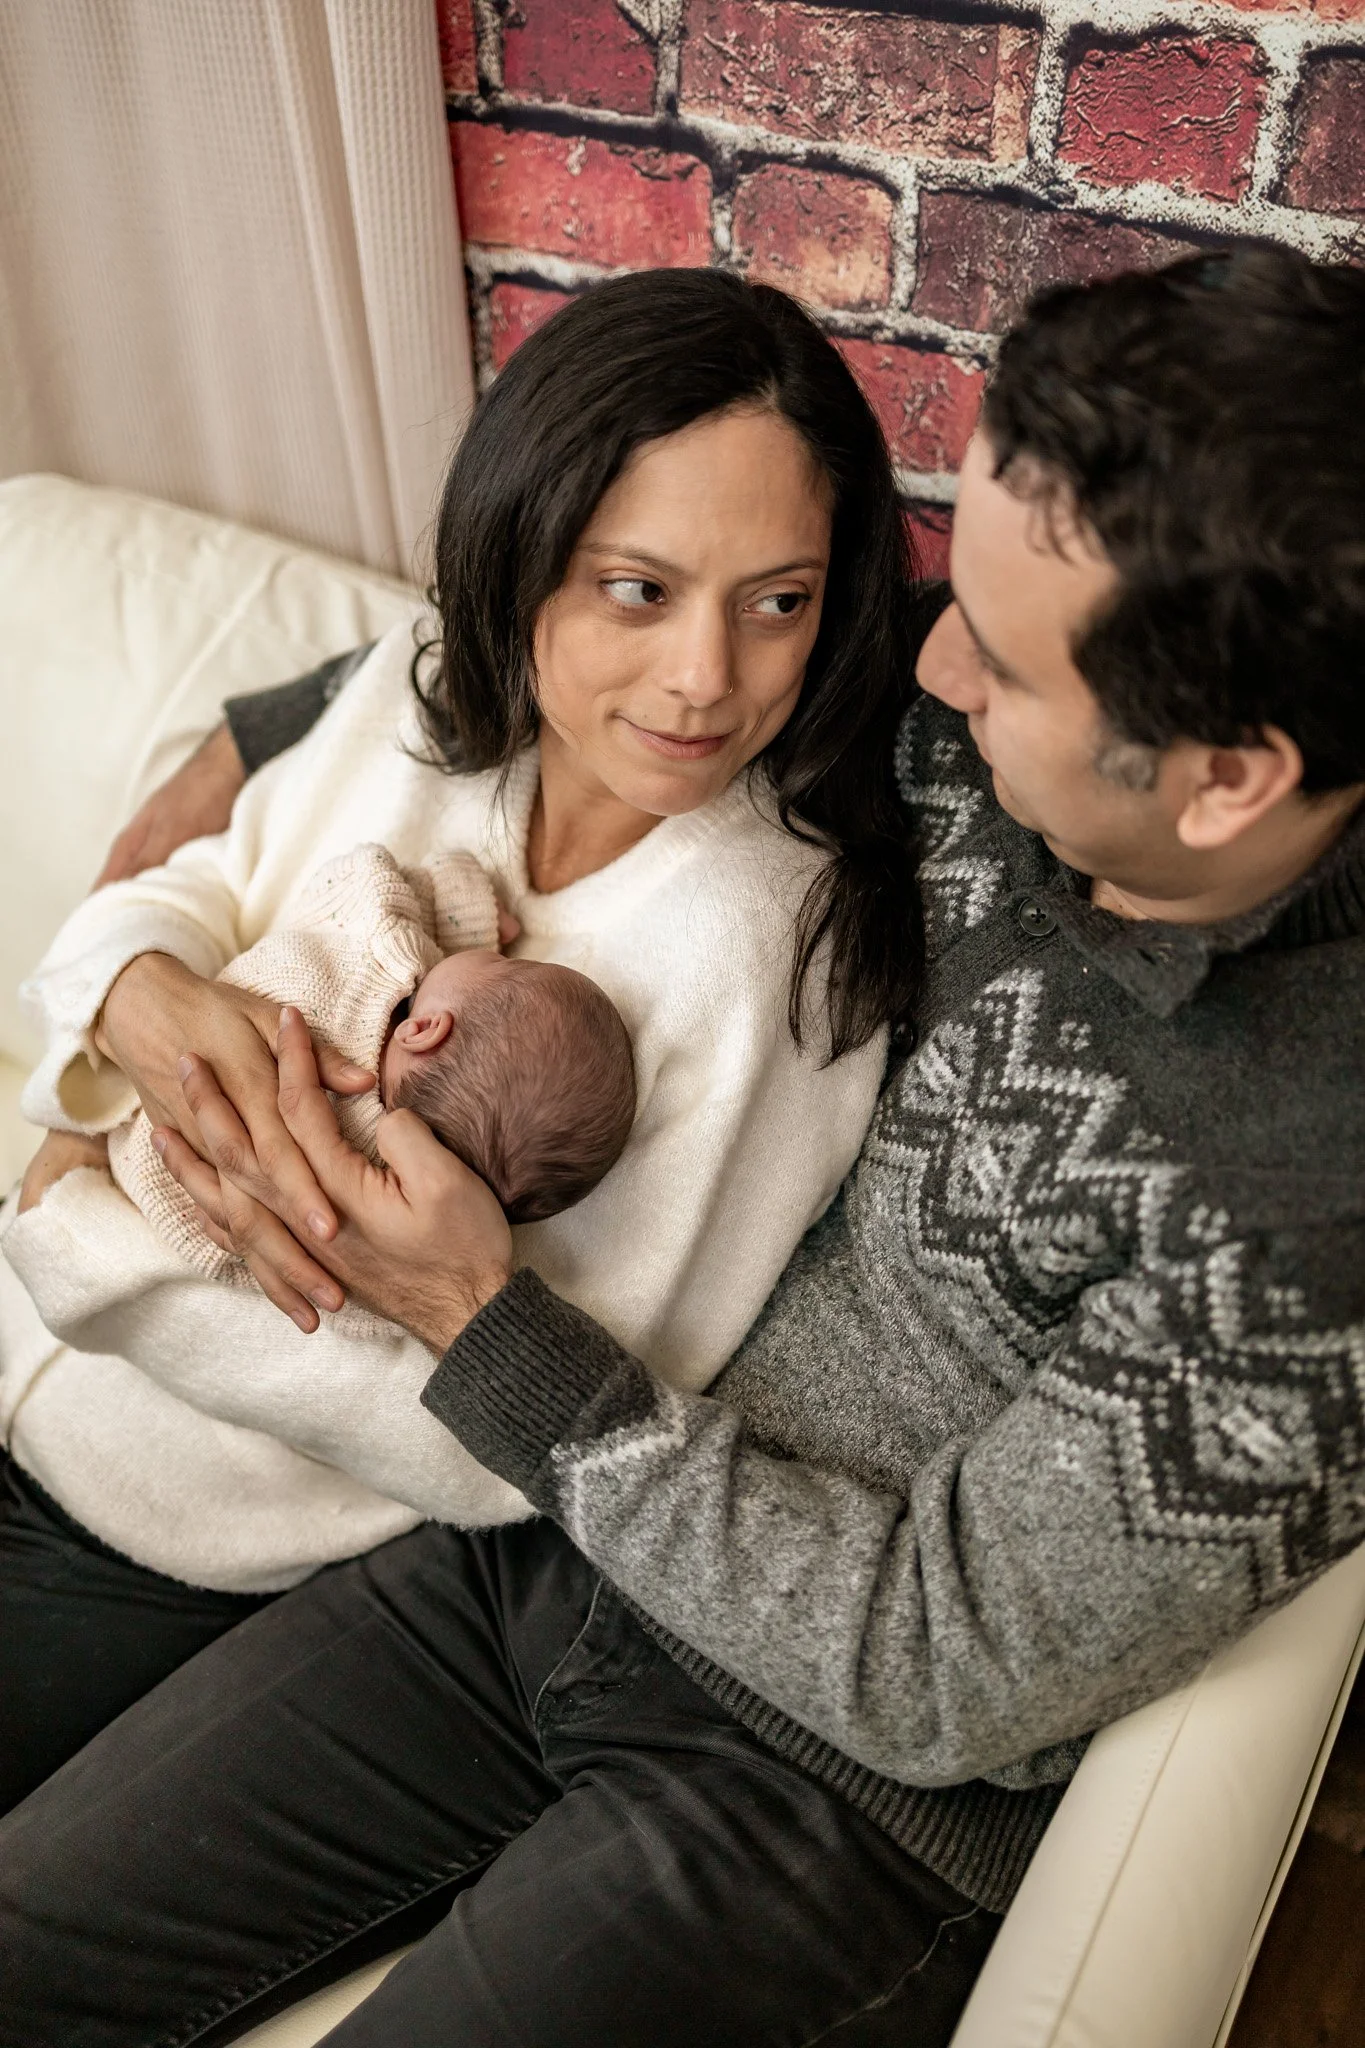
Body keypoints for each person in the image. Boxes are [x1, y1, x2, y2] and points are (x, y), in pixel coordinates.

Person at [4, 247, 1364, 2048]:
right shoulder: (982, 723)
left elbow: (941, 1669)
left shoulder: (1311, 1210)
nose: (932, 659)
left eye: (1002, 658)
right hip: (519, 1572)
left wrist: (492, 1329)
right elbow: (548, 634)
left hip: (823, 1789)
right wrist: (219, 797)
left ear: (1226, 780)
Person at [0, 269, 920, 1806]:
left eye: (779, 602)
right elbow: (199, 889)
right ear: (525, 557)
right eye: (640, 589)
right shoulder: (425, 696)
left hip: (175, 1541)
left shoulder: (773, 952)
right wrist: (128, 1002)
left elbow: (503, 1437)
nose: (708, 678)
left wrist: (80, 1250)